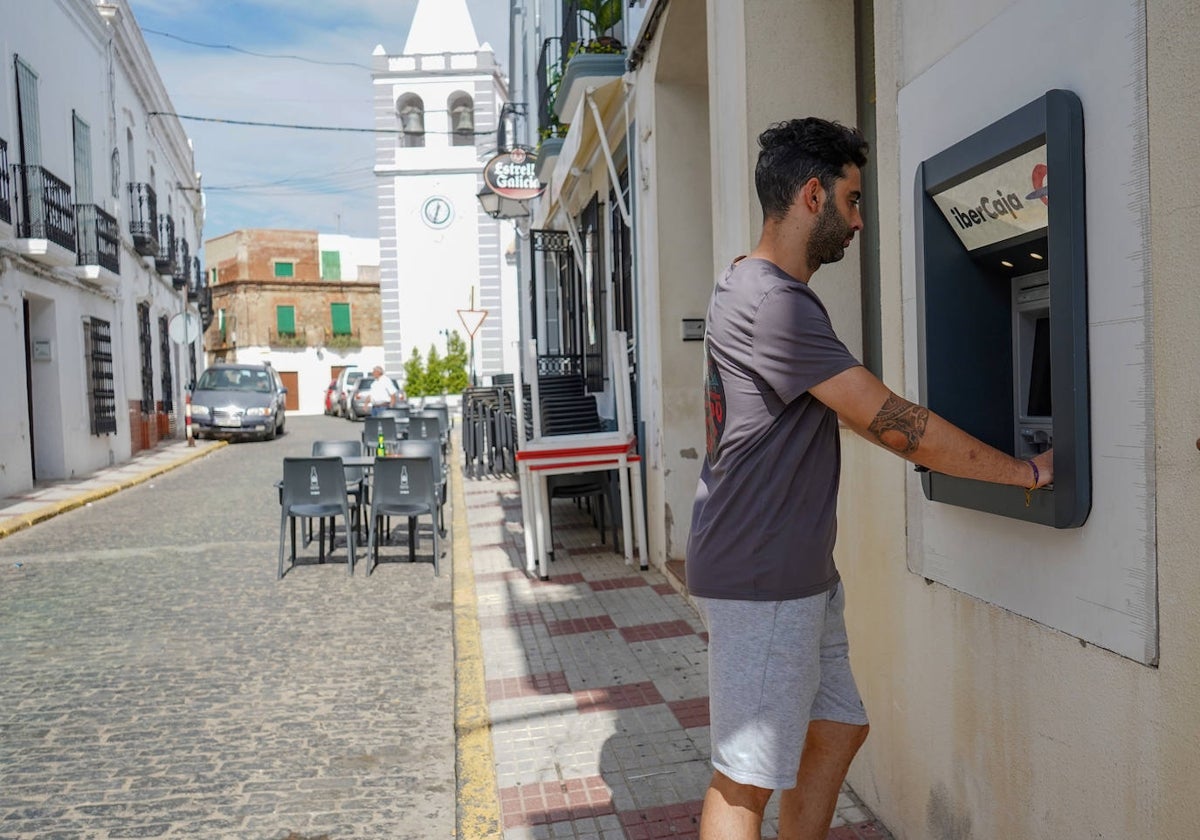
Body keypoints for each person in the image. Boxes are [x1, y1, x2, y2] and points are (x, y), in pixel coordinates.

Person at [687, 117, 1054, 840]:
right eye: (854, 201)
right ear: (814, 195)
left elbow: (845, 415)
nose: (860, 222)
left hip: (791, 572)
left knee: (838, 727)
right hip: (762, 578)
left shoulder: (744, 281)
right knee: (745, 779)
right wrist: (1023, 470)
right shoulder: (777, 305)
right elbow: (887, 419)